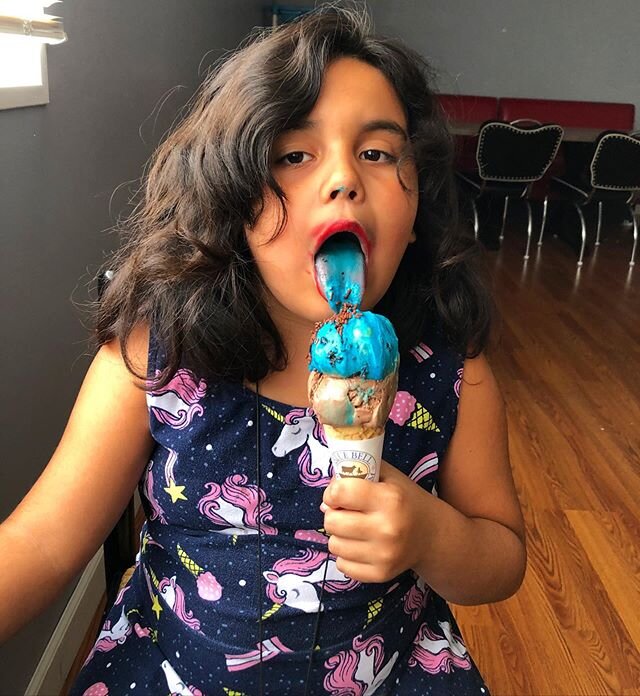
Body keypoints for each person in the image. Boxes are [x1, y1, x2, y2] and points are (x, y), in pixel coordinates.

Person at [0, 5, 526, 695]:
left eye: (377, 152)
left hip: (391, 671)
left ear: (417, 200)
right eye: (293, 155)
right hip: (172, 668)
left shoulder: (453, 372)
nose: (344, 179)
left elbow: (503, 554)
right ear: (233, 196)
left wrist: (433, 537)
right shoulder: (160, 355)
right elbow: (41, 542)